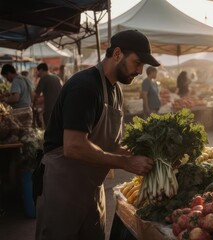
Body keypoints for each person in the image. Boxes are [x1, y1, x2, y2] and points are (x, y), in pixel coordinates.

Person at [35, 30, 159, 240]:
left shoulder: (116, 91)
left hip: (92, 190)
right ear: (117, 53)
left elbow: (109, 145)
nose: (140, 70)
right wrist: (125, 162)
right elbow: (73, 146)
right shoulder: (84, 86)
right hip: (63, 189)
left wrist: (148, 158)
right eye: (137, 62)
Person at [34, 63, 63, 127]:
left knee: (49, 128)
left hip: (50, 109)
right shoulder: (56, 78)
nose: (38, 73)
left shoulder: (44, 78)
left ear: (41, 70)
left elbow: (36, 95)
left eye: (38, 71)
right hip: (60, 108)